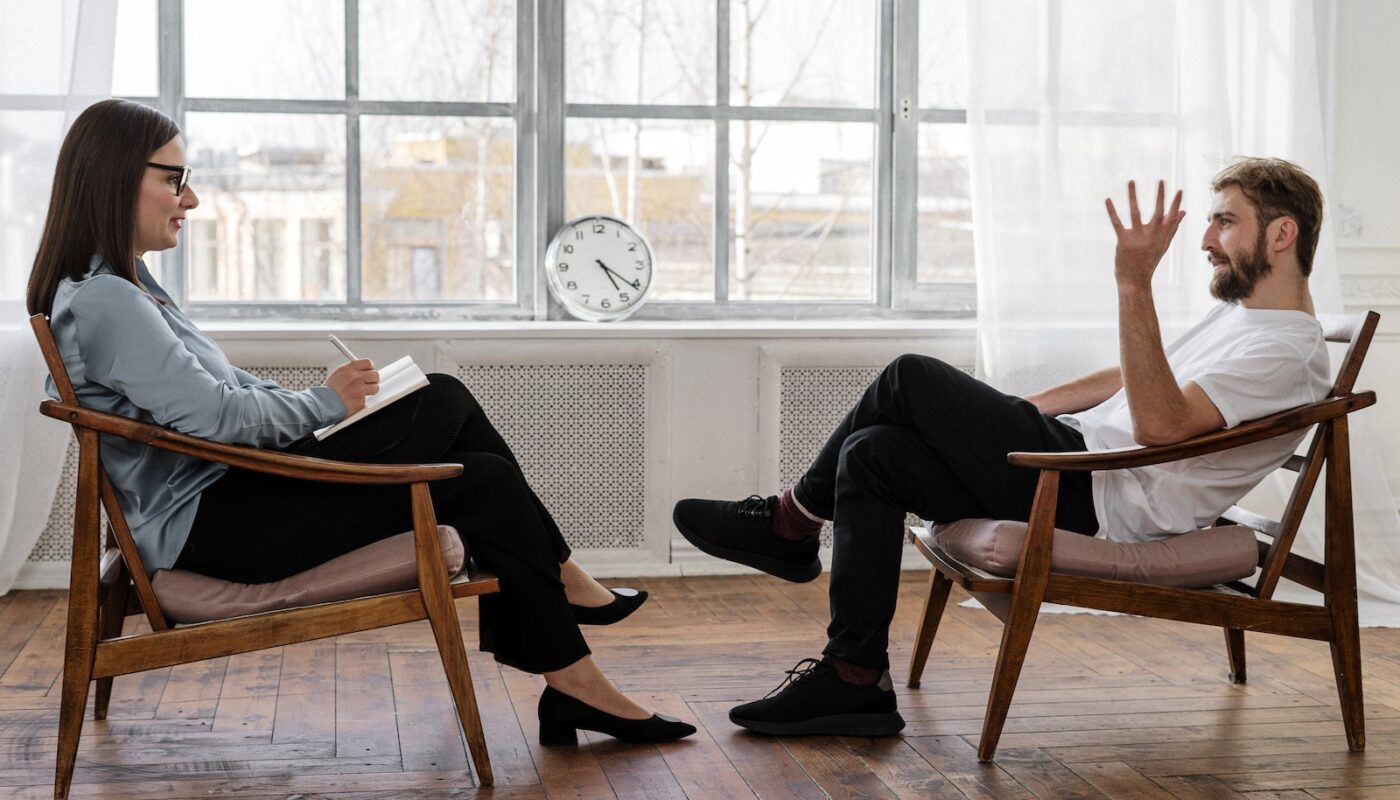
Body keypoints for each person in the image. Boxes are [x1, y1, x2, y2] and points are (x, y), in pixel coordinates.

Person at [27, 98, 694, 746]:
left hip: (227, 502)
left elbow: (219, 392)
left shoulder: (125, 287)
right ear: (115, 178)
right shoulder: (111, 300)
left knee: (467, 446)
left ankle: (574, 675)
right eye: (175, 181)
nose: (191, 201)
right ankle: (567, 607)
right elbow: (217, 418)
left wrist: (330, 404)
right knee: (447, 410)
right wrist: (328, 405)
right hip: (217, 526)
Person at [674, 158, 1331, 737]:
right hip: (1078, 460)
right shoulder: (1245, 319)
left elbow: (1161, 426)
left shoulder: (1285, 352)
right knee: (872, 451)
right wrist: (1017, 413)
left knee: (910, 375)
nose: (1207, 240)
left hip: (1097, 497)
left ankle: (791, 523)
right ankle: (854, 677)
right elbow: (1135, 377)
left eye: (1224, 222)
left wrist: (1133, 284)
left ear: (1281, 233)